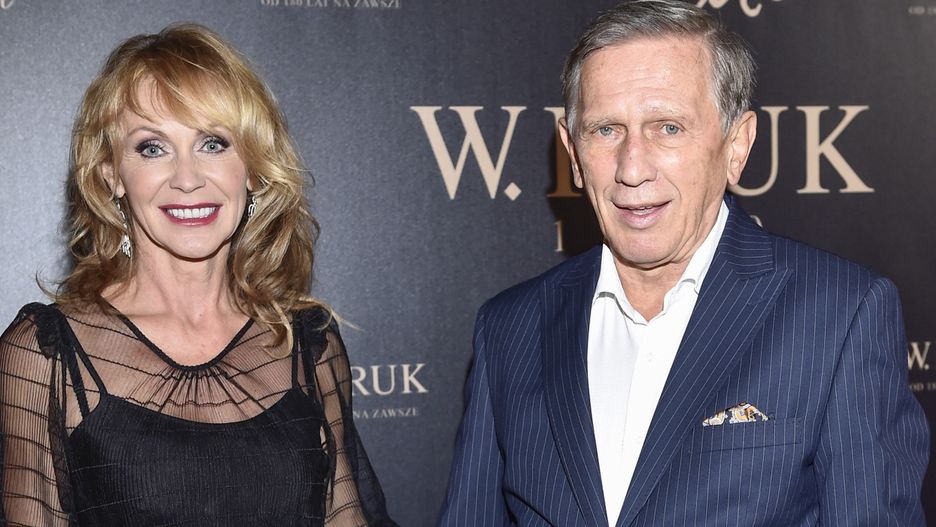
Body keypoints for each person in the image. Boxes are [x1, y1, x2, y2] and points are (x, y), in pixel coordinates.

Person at [437, 1, 929, 526]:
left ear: (736, 145)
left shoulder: (839, 313)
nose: (632, 168)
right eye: (606, 130)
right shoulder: (509, 328)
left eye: (668, 128)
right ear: (573, 153)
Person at [0, 24, 396, 526]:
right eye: (152, 148)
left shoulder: (308, 344)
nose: (187, 179)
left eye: (213, 143)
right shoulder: (45, 354)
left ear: (253, 168)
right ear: (112, 175)